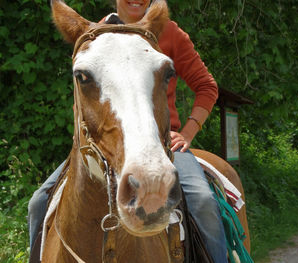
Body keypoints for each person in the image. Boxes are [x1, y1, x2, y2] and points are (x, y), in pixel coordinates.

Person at [28, 0, 227, 262]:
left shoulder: (168, 32)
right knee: (38, 203)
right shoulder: (96, 35)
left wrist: (188, 132)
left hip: (164, 146)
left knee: (202, 202)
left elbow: (206, 86)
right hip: (105, 147)